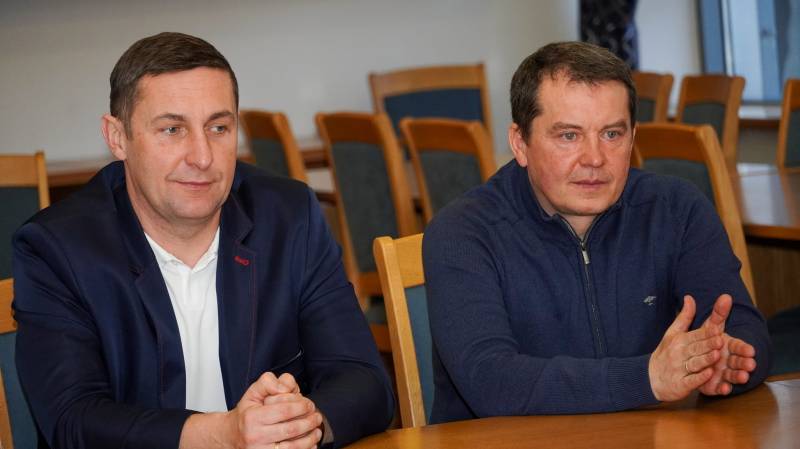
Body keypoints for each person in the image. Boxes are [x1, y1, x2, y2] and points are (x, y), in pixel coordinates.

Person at [12, 32, 394, 449]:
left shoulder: (289, 217)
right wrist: (223, 434)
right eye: (172, 129)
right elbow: (73, 421)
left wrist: (299, 423)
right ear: (118, 137)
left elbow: (365, 380)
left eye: (218, 127)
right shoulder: (58, 248)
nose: (202, 157)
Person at [422, 41, 770, 423]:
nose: (594, 158)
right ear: (520, 144)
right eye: (569, 136)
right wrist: (647, 378)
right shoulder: (463, 233)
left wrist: (724, 360)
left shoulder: (675, 210)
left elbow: (742, 327)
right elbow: (492, 381)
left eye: (612, 134)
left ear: (633, 137)